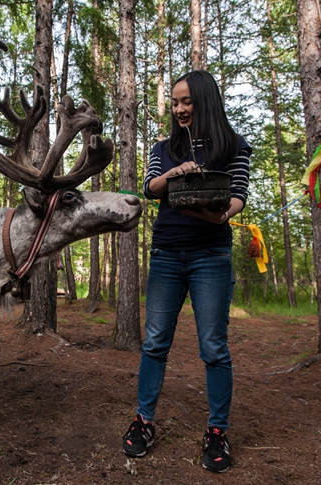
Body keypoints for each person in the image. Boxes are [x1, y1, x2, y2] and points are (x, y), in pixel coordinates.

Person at [121, 70, 251, 473]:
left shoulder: (233, 145)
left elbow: (237, 198)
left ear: (204, 101)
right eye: (174, 103)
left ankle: (217, 431)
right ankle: (144, 421)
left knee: (213, 347)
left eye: (186, 102)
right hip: (166, 255)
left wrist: (215, 215)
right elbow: (149, 187)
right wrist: (175, 175)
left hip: (211, 255)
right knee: (155, 342)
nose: (178, 109)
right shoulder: (164, 147)